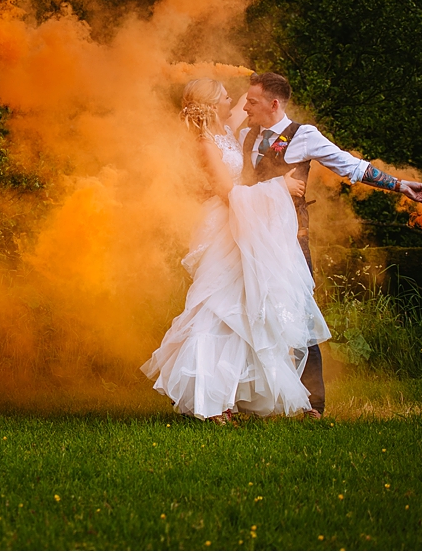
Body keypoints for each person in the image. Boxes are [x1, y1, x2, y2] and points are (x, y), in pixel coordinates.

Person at [238, 71, 422, 418]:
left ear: (274, 104)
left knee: (299, 315)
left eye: (251, 101)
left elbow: (351, 167)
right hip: (248, 236)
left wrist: (401, 186)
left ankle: (313, 405)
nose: (244, 106)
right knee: (250, 311)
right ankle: (257, 398)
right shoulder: (244, 134)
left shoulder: (304, 136)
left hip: (289, 239)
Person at [141, 78, 331, 423]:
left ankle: (230, 396)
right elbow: (230, 193)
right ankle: (210, 403)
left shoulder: (226, 130)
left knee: (243, 311)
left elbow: (256, 97)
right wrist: (281, 185)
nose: (238, 104)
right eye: (228, 97)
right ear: (214, 105)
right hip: (222, 226)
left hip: (242, 227)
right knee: (216, 308)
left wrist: (266, 87)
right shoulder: (205, 144)